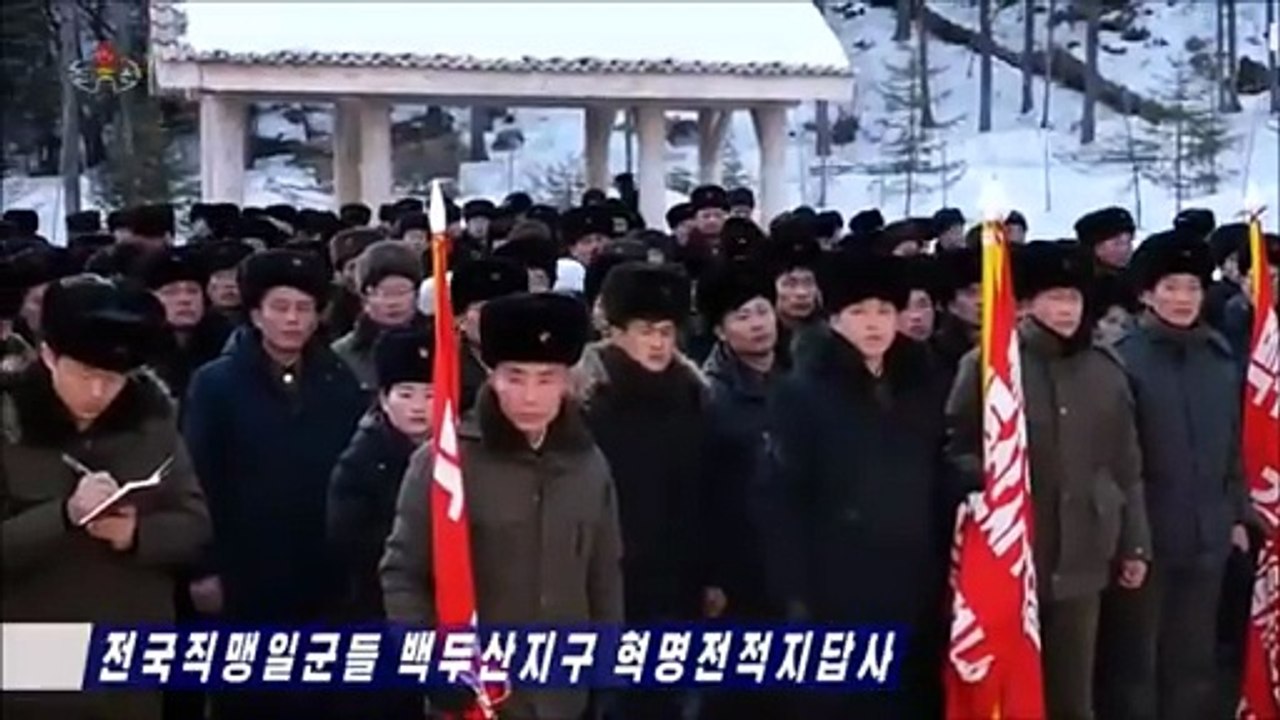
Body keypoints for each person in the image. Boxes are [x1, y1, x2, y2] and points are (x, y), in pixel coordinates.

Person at [381, 292, 622, 720]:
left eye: (546, 378)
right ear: (492, 376)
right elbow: (404, 572)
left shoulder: (588, 461)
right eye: (515, 377)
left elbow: (603, 573)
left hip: (563, 692)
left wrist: (606, 666)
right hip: (477, 693)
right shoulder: (445, 463)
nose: (530, 396)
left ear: (569, 381)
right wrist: (429, 663)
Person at [948, 241, 1151, 720]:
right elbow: (956, 447)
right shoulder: (988, 366)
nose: (1066, 310)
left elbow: (1126, 463)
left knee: (1072, 692)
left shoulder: (1106, 370)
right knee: (1011, 687)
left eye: (1074, 299)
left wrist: (1135, 544)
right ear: (1025, 303)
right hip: (1012, 554)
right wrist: (993, 483)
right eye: (1054, 298)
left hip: (1085, 549)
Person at [1, 274, 210, 720]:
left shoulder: (152, 424)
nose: (97, 393)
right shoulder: (9, 431)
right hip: (34, 657)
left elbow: (196, 525)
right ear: (48, 356)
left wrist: (138, 534)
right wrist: (64, 515)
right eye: (84, 375)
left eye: (112, 379)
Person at [766, 251, 951, 718]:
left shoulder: (920, 384)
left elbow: (936, 474)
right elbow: (782, 498)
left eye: (885, 311)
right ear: (835, 318)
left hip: (914, 582)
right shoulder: (802, 392)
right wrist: (798, 593)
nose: (874, 324)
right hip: (836, 588)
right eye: (860, 312)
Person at [1096, 231, 1255, 720]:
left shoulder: (1218, 356)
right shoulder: (1122, 359)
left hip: (1207, 535)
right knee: (1138, 666)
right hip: (1147, 541)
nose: (1183, 299)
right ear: (1146, 293)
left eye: (1191, 287)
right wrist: (1130, 541)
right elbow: (1116, 461)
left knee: (1194, 662)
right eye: (1170, 287)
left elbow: (1232, 446)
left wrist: (1236, 513)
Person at [574, 261, 709, 719]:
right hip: (609, 586)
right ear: (615, 331)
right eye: (646, 330)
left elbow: (705, 493)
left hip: (678, 586)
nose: (657, 343)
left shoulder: (694, 396)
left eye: (667, 331)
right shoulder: (586, 402)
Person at [696, 260, 782, 720]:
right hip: (738, 567)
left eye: (762, 311)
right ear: (720, 330)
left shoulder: (803, 379)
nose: (757, 325)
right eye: (742, 317)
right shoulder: (709, 395)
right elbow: (702, 491)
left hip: (797, 559)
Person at [138, 247, 233, 404]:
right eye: (171, 292)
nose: (185, 300)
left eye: (192, 291)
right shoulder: (138, 351)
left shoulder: (228, 344)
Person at [331, 240, 425, 392]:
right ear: (364, 297)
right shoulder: (342, 355)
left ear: (416, 293)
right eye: (382, 293)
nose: (393, 302)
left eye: (401, 292)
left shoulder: (441, 345)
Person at [450, 257, 528, 413]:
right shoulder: (443, 368)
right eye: (485, 310)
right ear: (460, 319)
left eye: (508, 309)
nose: (497, 319)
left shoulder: (542, 363)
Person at [1075, 206, 1135, 280]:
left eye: (1128, 242)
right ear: (1095, 247)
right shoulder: (1074, 281)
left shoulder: (1137, 279)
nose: (1125, 249)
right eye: (1117, 243)